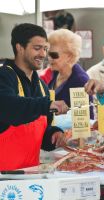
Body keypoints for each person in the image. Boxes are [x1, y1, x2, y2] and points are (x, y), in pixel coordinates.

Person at [0, 23, 68, 171]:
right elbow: (9, 108)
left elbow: (41, 132)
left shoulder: (42, 87)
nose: (43, 54)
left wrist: (54, 134)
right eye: (37, 48)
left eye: (45, 49)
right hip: (3, 178)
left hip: (30, 176)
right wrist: (46, 105)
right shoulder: (4, 76)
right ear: (20, 48)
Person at [42, 28, 94, 119]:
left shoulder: (80, 81)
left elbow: (86, 120)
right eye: (48, 54)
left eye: (54, 55)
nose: (49, 59)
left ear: (69, 56)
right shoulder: (55, 73)